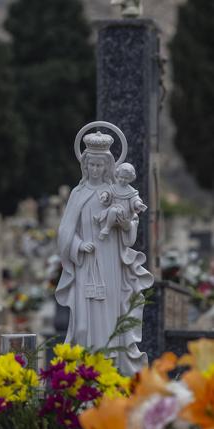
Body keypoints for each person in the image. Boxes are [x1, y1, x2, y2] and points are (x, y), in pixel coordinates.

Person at [55, 129, 153, 375]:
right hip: (86, 262)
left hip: (110, 263)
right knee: (82, 326)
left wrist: (123, 222)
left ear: (108, 166)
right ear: (85, 165)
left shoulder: (117, 192)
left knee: (110, 318)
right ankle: (86, 372)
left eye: (100, 165)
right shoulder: (78, 194)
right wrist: (78, 245)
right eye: (91, 165)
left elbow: (130, 229)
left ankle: (110, 372)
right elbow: (66, 231)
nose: (95, 169)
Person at [94, 163, 148, 240]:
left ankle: (105, 224)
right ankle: (107, 228)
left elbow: (135, 199)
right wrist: (104, 195)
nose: (123, 180)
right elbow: (108, 192)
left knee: (113, 210)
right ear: (117, 175)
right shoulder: (113, 187)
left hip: (124, 216)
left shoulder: (131, 191)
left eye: (126, 178)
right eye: (121, 177)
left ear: (131, 179)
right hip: (113, 213)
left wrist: (138, 204)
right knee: (113, 210)